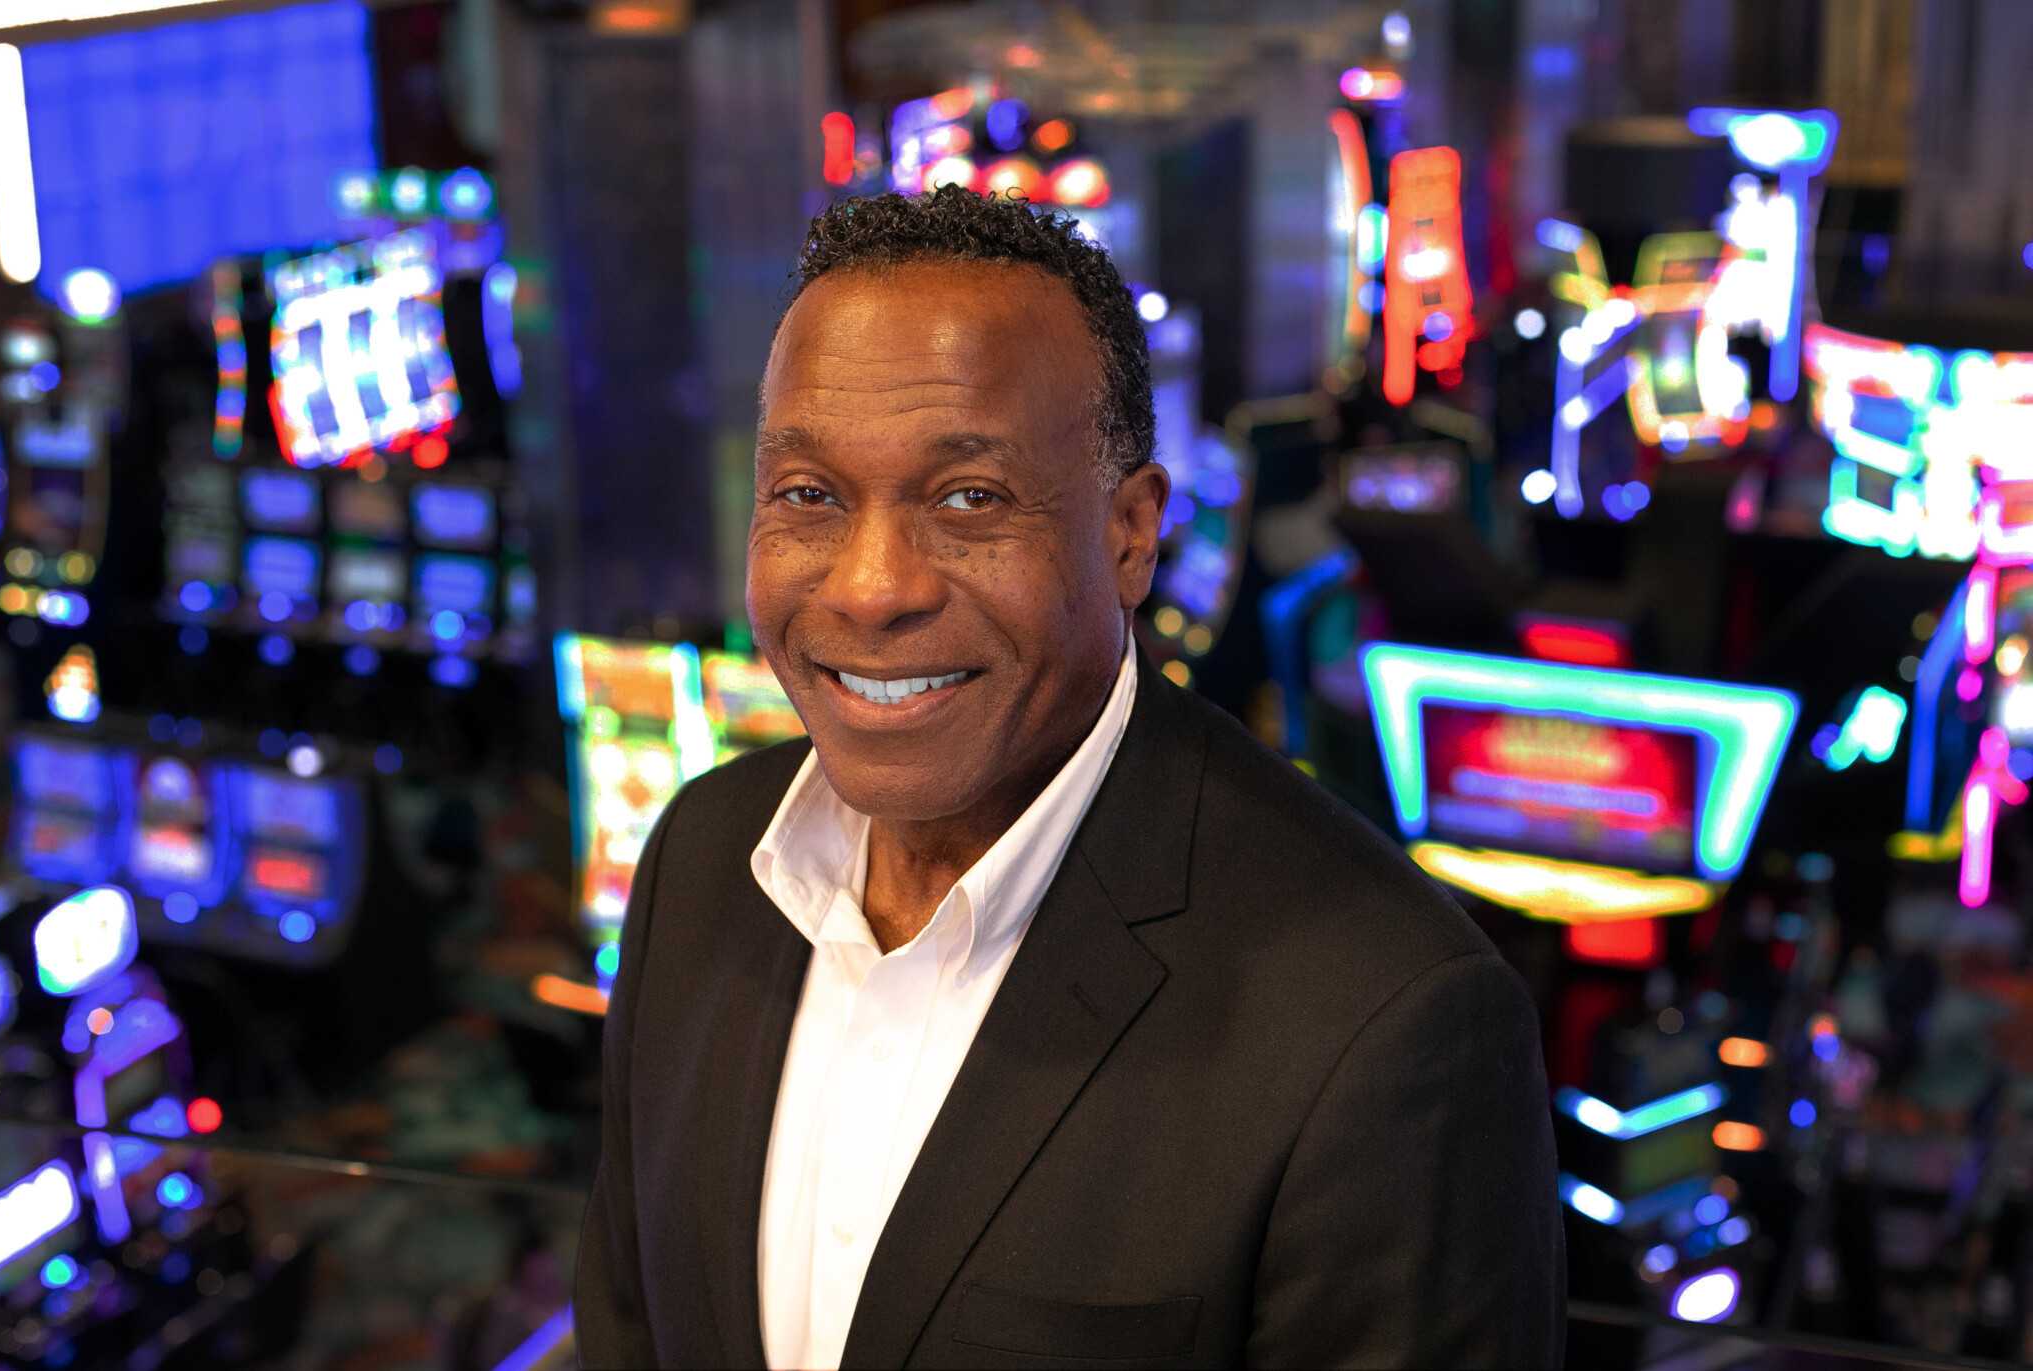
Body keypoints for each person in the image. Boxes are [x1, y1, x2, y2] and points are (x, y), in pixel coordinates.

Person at [575, 186, 1563, 1369]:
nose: (868, 587)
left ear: (1131, 533)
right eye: (809, 496)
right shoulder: (698, 854)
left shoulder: (1389, 1018)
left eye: (968, 499)